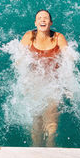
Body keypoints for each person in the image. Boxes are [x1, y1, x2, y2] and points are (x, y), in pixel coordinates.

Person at [21, 9, 67, 147]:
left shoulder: (59, 37)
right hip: (35, 81)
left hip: (53, 81)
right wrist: (24, 82)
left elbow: (69, 57)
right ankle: (36, 151)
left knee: (51, 121)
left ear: (51, 22)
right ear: (35, 23)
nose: (42, 20)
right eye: (39, 18)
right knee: (37, 121)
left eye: (46, 18)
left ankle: (50, 147)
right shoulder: (29, 36)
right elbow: (19, 59)